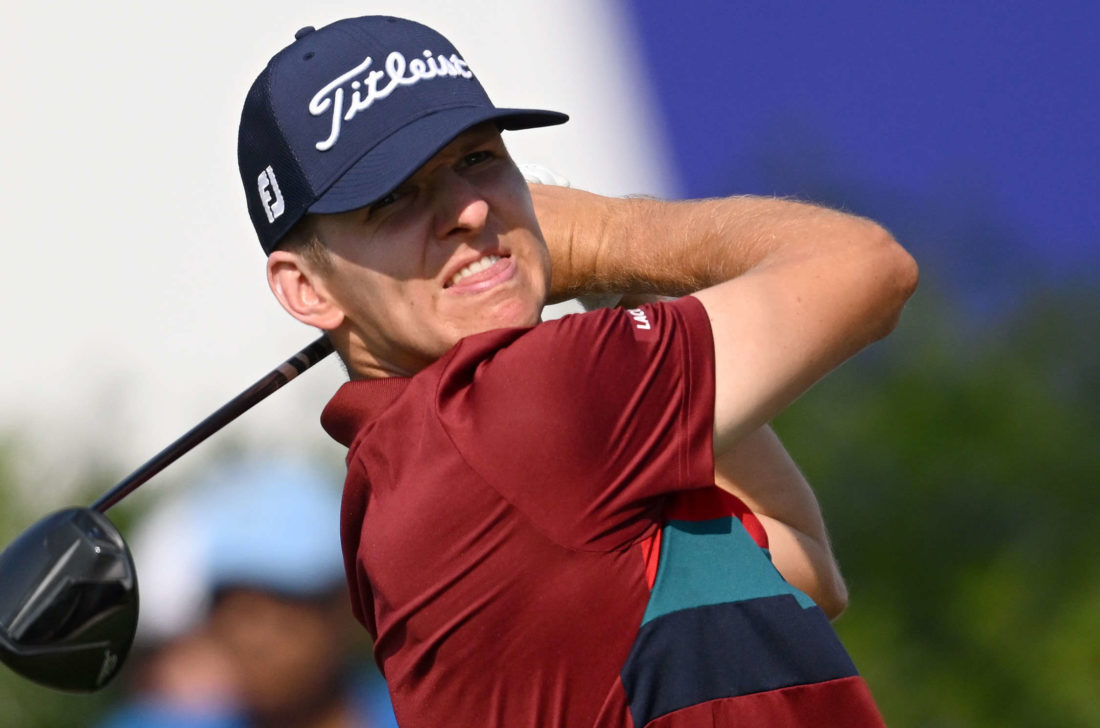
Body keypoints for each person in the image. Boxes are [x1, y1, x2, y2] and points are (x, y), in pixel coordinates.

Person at [236, 15, 918, 728]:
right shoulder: (515, 408)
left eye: (477, 159)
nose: (469, 209)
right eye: (393, 200)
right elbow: (869, 267)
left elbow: (802, 566)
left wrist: (616, 289)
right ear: (306, 289)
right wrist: (605, 235)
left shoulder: (417, 469)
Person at [95, 458, 397, 728]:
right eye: (227, 608)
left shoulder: (426, 711)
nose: (249, 638)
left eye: (279, 604)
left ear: (343, 607)